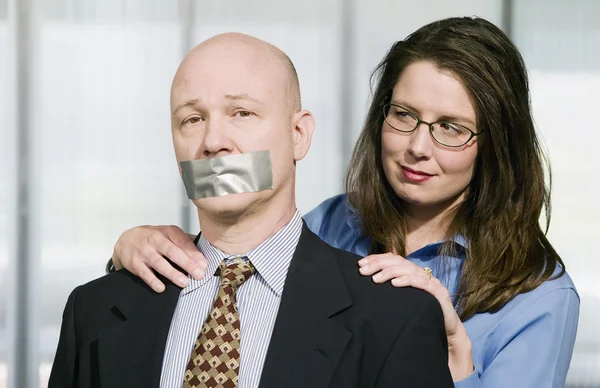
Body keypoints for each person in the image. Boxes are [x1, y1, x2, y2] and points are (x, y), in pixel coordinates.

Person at [107, 16, 581, 388]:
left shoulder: (541, 296)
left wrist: (456, 353)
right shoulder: (331, 223)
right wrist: (134, 252)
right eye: (404, 116)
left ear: (497, 145)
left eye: (450, 128)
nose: (418, 146)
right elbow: (233, 260)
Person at [49, 32, 453, 388]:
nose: (213, 142)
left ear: (298, 135)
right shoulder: (94, 310)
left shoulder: (395, 318)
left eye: (241, 113)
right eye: (191, 119)